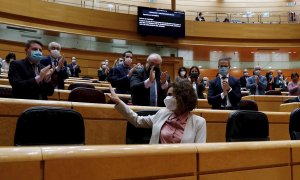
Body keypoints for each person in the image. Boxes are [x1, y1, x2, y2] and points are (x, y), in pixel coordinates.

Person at [109, 80, 206, 144]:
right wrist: (119, 102)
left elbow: (199, 153)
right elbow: (137, 120)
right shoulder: (162, 113)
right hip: (156, 163)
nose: (167, 98)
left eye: (171, 95)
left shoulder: (199, 122)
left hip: (183, 166)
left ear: (183, 98)